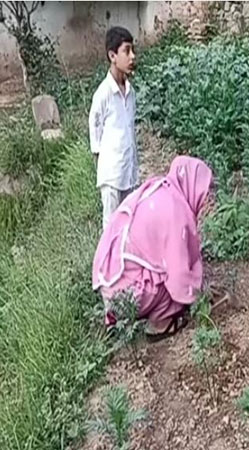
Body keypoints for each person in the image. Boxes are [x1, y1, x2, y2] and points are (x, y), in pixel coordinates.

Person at [92, 156, 213, 341]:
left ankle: (119, 319)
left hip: (109, 286)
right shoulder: (176, 210)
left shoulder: (159, 189)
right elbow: (179, 280)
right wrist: (201, 296)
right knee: (170, 282)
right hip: (126, 296)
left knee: (159, 266)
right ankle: (160, 324)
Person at [89, 26, 138, 230]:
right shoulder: (104, 94)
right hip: (111, 174)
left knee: (130, 224)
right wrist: (100, 159)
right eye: (126, 51)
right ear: (112, 56)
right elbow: (95, 125)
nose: (132, 56)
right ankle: (106, 263)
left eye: (132, 50)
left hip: (129, 171)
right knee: (111, 227)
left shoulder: (131, 92)